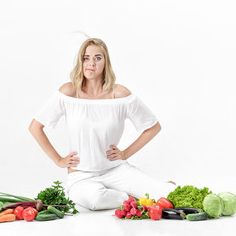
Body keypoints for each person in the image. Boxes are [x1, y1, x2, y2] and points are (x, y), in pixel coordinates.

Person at [29, 38, 175, 211]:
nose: (91, 63)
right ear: (80, 62)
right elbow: (35, 127)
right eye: (86, 58)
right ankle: (129, 197)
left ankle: (153, 187)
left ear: (106, 63)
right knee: (95, 199)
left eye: (97, 58)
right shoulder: (69, 92)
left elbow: (153, 127)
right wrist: (59, 160)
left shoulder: (119, 94)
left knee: (169, 194)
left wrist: (125, 153)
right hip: (80, 176)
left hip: (115, 170)